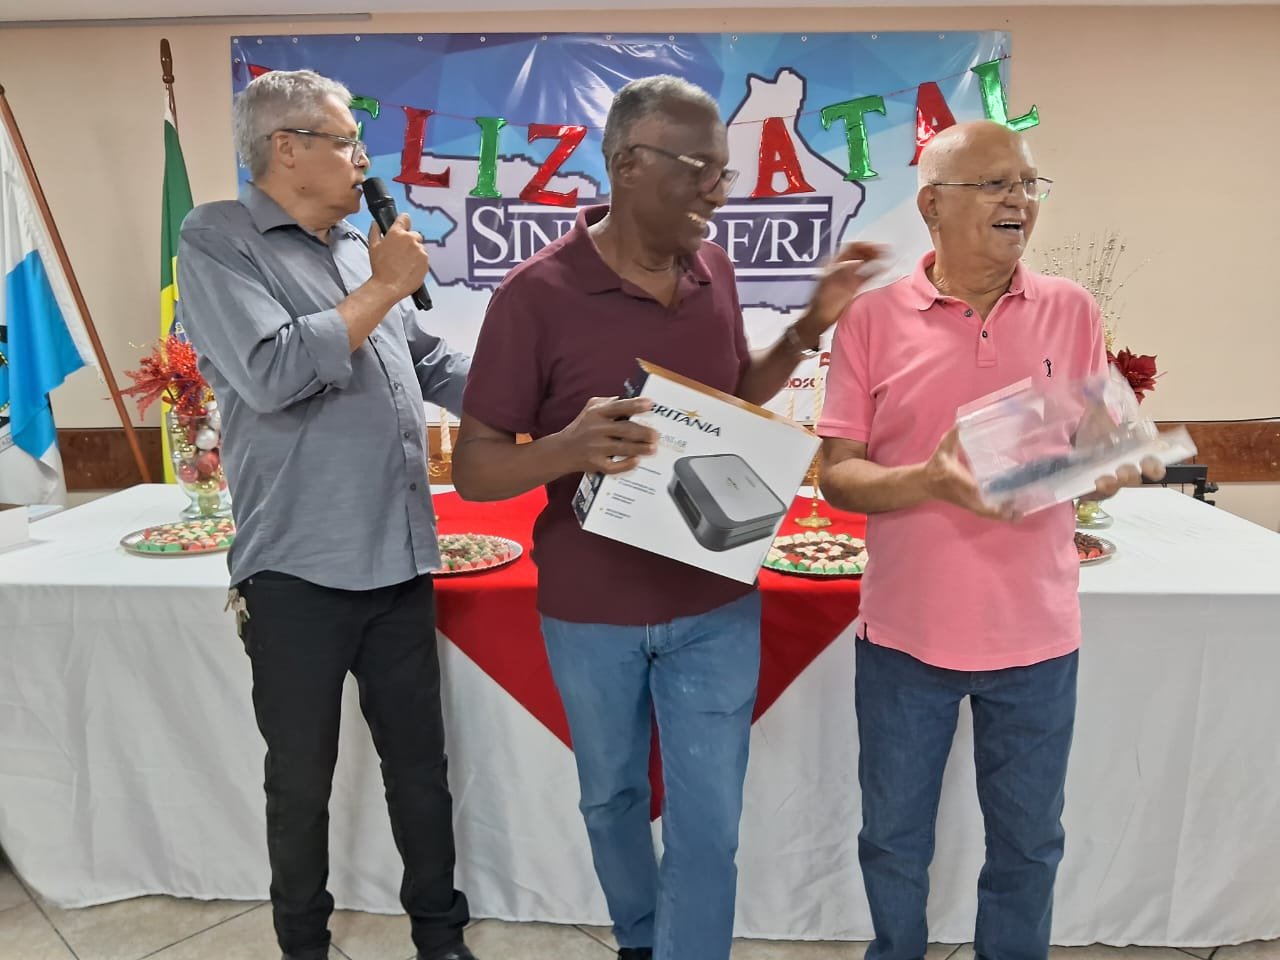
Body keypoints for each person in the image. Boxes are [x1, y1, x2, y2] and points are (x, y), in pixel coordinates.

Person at [450, 75, 882, 960]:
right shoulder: (533, 295)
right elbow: (477, 467)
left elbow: (734, 397)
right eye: (699, 171)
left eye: (725, 173)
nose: (718, 193)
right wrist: (566, 448)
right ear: (625, 164)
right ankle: (642, 939)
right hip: (590, 610)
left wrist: (809, 327)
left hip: (714, 601)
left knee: (708, 823)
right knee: (610, 797)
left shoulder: (715, 270)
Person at [816, 120, 1163, 960]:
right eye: (996, 184)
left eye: (1028, 184)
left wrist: (1114, 460)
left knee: (1030, 846)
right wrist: (928, 481)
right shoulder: (870, 320)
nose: (1020, 200)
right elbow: (838, 476)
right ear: (932, 206)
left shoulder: (1072, 309)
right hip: (905, 637)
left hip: (1037, 637)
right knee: (893, 843)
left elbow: (1097, 444)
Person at [177, 69, 476, 960]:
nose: (361, 160)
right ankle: (304, 945)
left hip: (400, 558)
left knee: (420, 772)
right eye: (347, 142)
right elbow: (271, 372)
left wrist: (542, 396)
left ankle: (440, 935)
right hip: (297, 573)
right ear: (287, 148)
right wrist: (384, 286)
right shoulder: (218, 240)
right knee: (300, 783)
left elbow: (427, 362)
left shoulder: (355, 248)